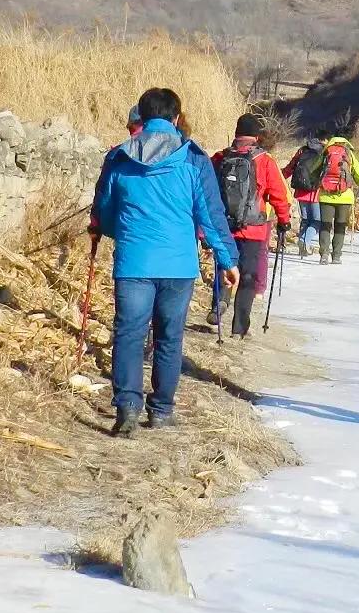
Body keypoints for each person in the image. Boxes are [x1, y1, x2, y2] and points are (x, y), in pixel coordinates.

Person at [89, 87, 239, 436]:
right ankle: (161, 410)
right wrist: (227, 259)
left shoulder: (119, 158)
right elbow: (211, 216)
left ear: (140, 117)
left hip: (133, 263)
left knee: (129, 334)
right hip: (178, 266)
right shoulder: (193, 159)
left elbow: (104, 209)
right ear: (176, 117)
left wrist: (107, 230)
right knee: (169, 337)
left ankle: (127, 408)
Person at [212, 114, 292, 337]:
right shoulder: (264, 160)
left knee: (224, 265)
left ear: (236, 132)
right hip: (254, 229)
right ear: (257, 136)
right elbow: (279, 194)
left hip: (224, 226)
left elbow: (206, 190)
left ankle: (219, 302)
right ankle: (239, 328)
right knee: (247, 276)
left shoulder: (220, 157)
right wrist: (284, 220)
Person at [315, 129, 359, 264]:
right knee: (340, 225)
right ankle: (336, 255)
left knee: (325, 225)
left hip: (326, 195)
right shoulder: (349, 153)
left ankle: (324, 254)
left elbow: (315, 170)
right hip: (345, 196)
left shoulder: (325, 152)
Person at [283, 135, 327, 258]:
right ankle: (305, 241)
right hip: (315, 192)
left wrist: (281, 176)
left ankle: (302, 245)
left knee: (306, 219)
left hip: (300, 190)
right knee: (316, 221)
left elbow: (291, 166)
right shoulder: (324, 151)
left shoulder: (302, 150)